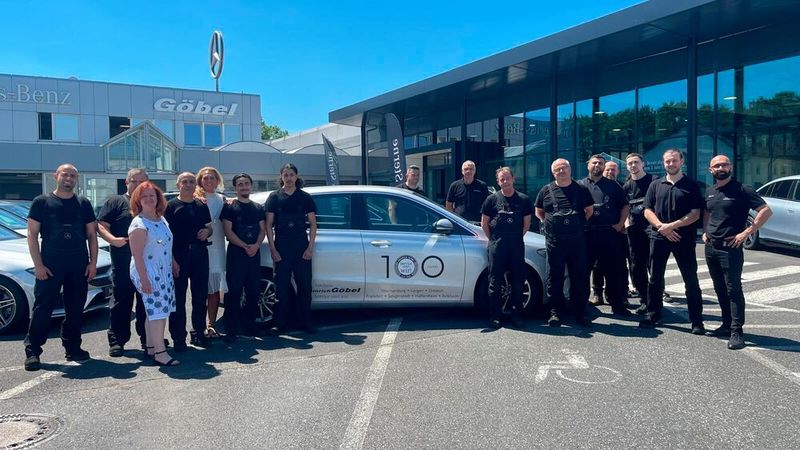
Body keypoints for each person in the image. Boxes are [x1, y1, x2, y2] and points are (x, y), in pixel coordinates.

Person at [23, 164, 98, 371]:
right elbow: (32, 235)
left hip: (78, 262)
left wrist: (92, 263)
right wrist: (38, 265)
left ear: (76, 179)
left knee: (75, 308)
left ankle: (73, 347)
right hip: (50, 263)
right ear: (56, 176)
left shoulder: (83, 203)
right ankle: (33, 351)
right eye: (65, 174)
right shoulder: (42, 202)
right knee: (43, 307)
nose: (69, 178)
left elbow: (92, 235)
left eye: (73, 175)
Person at [702, 155, 772, 350]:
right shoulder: (710, 191)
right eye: (716, 165)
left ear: (731, 167)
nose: (721, 167)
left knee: (733, 289)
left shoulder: (743, 190)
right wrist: (706, 232)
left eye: (724, 164)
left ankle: (737, 331)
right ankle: (725, 325)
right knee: (719, 288)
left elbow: (766, 211)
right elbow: (707, 212)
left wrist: (747, 232)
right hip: (711, 247)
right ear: (711, 170)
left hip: (730, 247)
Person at [640, 149, 705, 333]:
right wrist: (662, 226)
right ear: (663, 163)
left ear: (681, 161)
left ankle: (697, 320)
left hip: (683, 238)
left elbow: (695, 213)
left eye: (674, 160)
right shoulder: (655, 184)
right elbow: (647, 210)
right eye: (667, 161)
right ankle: (653, 313)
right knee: (655, 279)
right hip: (659, 236)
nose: (670, 164)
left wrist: (672, 226)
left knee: (690, 279)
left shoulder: (691, 185)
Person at [535, 159, 594, 328]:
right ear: (553, 173)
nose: (561, 171)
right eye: (557, 169)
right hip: (555, 242)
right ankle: (555, 312)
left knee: (579, 277)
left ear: (570, 169)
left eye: (564, 168)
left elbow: (589, 210)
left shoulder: (581, 189)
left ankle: (580, 312)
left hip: (577, 241)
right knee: (554, 277)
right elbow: (539, 212)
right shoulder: (546, 190)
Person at [97, 168, 149, 357]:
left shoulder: (150, 202)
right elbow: (101, 225)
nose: (137, 185)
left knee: (146, 302)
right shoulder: (115, 201)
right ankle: (117, 340)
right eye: (133, 181)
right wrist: (113, 240)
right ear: (126, 183)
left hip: (148, 263)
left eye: (141, 181)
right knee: (121, 302)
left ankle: (148, 339)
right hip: (123, 262)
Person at [128, 181, 180, 367]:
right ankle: (160, 352)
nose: (149, 199)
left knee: (155, 311)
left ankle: (151, 347)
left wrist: (173, 262)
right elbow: (137, 255)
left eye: (152, 195)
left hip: (163, 270)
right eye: (144, 196)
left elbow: (167, 244)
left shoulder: (160, 218)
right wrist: (144, 279)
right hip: (149, 272)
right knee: (158, 312)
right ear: (138, 200)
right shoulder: (139, 224)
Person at [266, 164, 318, 335]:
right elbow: (268, 225)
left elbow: (312, 224)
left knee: (304, 286)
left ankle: (305, 322)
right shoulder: (274, 197)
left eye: (291, 174)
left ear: (296, 176)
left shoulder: (305, 197)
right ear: (281, 176)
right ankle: (281, 323)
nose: (288, 177)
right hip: (281, 247)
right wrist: (273, 249)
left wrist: (310, 248)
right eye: (285, 174)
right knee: (281, 287)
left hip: (301, 247)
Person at [165, 172, 214, 350]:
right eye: (184, 182)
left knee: (200, 297)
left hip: (200, 254)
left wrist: (207, 232)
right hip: (179, 256)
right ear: (178, 185)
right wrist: (172, 261)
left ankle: (199, 334)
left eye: (191, 181)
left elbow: (210, 228)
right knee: (177, 299)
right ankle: (178, 338)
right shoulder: (169, 206)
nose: (188, 184)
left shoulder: (201, 205)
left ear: (195, 185)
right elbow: (165, 237)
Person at [480, 167, 532, 329]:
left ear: (513, 178)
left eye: (507, 178)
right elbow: (484, 223)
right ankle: (495, 315)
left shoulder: (523, 199)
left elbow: (526, 224)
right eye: (501, 179)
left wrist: (514, 238)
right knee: (494, 282)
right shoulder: (491, 200)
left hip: (516, 246)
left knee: (517, 281)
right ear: (498, 181)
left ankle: (517, 314)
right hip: (497, 246)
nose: (505, 181)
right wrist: (494, 240)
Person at [579, 155, 630, 317]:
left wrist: (620, 224)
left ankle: (617, 305)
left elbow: (625, 206)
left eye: (600, 163)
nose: (597, 165)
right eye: (594, 163)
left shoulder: (613, 186)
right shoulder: (579, 185)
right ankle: (581, 306)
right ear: (588, 165)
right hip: (586, 235)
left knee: (612, 271)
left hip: (608, 233)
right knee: (583, 272)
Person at [221, 173, 266, 343]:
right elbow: (228, 231)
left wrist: (255, 245)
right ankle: (231, 328)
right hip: (236, 254)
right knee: (234, 292)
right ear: (235, 188)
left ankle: (250, 326)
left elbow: (262, 229)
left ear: (251, 186)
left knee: (254, 292)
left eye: (246, 183)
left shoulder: (258, 208)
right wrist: (245, 246)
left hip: (254, 254)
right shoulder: (230, 207)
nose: (244, 187)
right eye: (240, 184)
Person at [195, 166, 228, 339]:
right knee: (199, 289)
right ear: (200, 180)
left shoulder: (223, 199)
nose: (209, 181)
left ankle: (211, 325)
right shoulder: (195, 199)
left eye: (212, 178)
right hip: (201, 248)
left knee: (214, 289)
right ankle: (198, 327)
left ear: (217, 180)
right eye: (205, 178)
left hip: (218, 248)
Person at [623, 153, 658, 315]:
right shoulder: (627, 186)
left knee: (655, 267)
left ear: (643, 164)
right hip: (634, 231)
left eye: (636, 162)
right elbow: (623, 208)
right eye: (630, 163)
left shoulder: (654, 181)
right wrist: (626, 224)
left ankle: (656, 303)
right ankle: (644, 300)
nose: (633, 166)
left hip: (653, 230)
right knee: (637, 267)